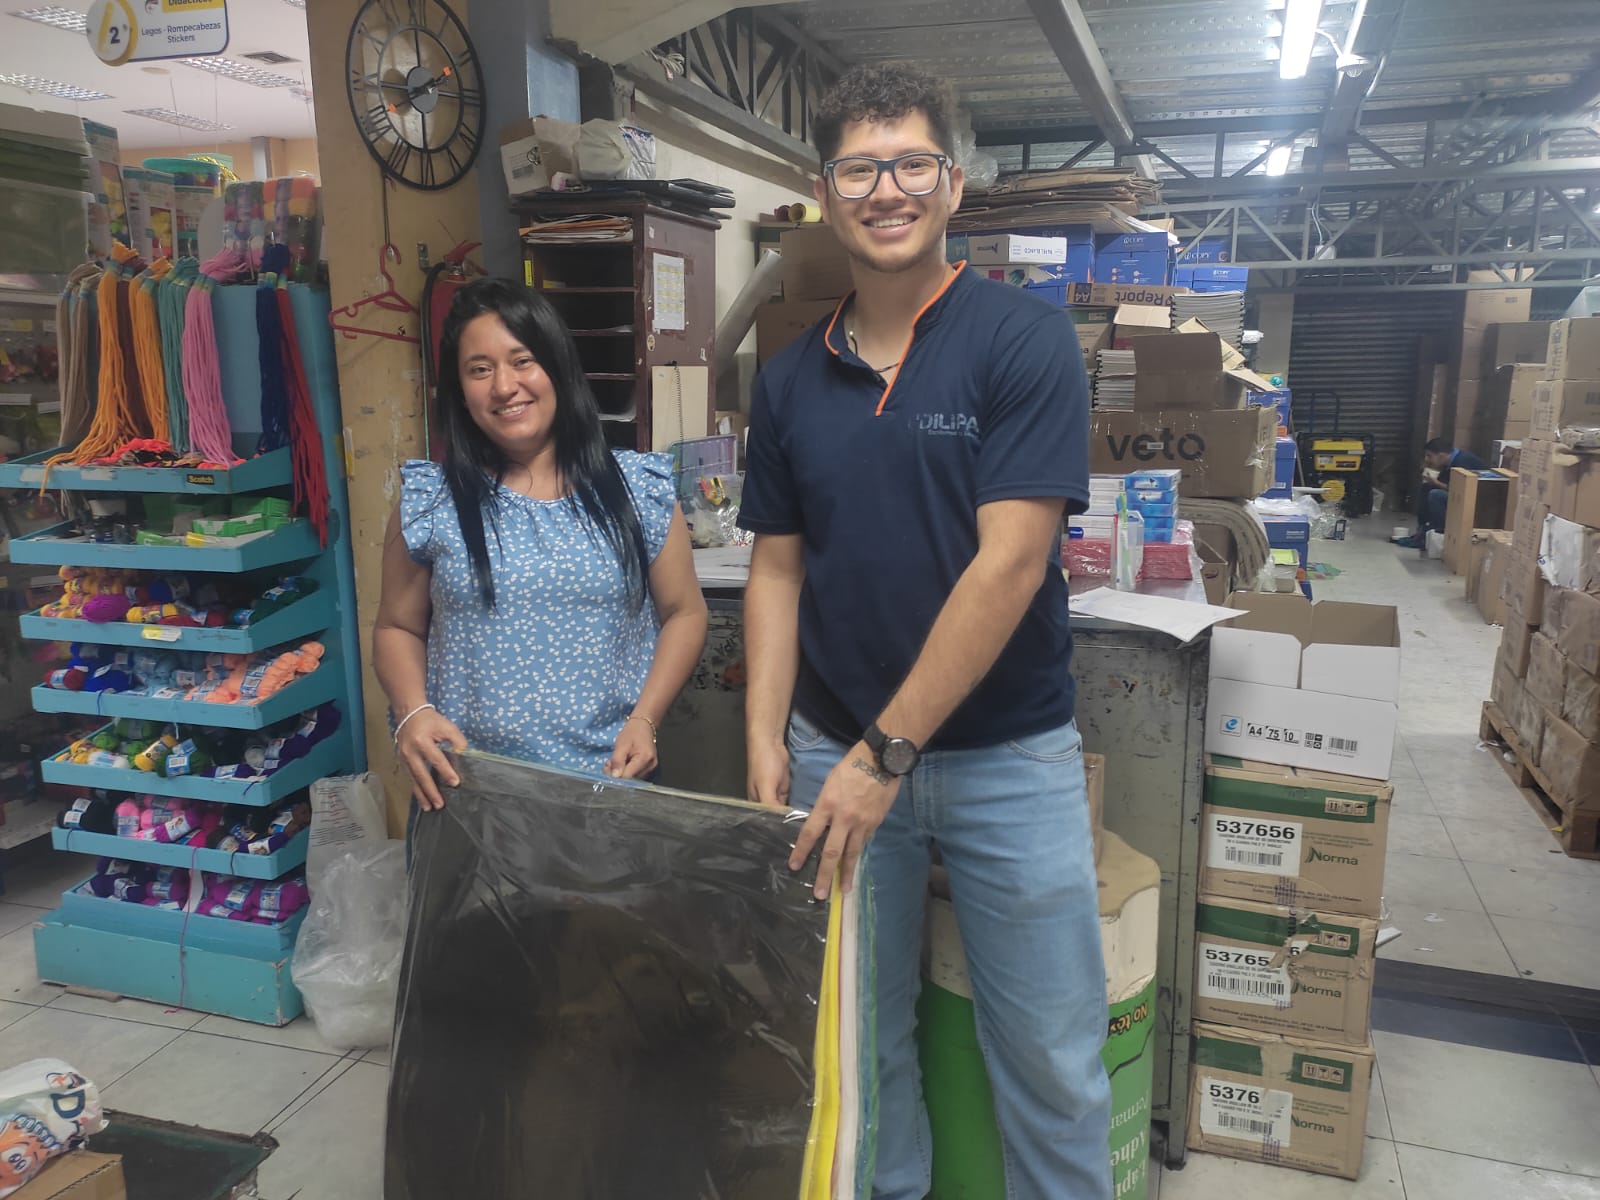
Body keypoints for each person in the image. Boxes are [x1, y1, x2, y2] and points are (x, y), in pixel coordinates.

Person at [739, 62, 1111, 1200]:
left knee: (1050, 1059)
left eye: (910, 164)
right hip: (833, 747)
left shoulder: (1021, 341)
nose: (885, 190)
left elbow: (1011, 564)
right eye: (858, 169)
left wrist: (883, 756)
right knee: (857, 1046)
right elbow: (775, 567)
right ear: (824, 193)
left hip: (1007, 757)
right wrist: (764, 736)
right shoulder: (790, 379)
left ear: (952, 184)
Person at [373, 277, 707, 814]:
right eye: (479, 369)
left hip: (608, 788)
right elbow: (397, 627)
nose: (504, 386)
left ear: (557, 366)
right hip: (468, 792)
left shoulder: (636, 489)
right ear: (460, 389)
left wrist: (646, 719)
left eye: (522, 360)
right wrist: (412, 712)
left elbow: (685, 613)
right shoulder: (432, 499)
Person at [1391, 436, 1488, 549]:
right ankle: (1423, 530)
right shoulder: (1450, 461)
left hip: (1477, 501)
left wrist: (1435, 482)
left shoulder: (1461, 461)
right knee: (1427, 487)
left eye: (1429, 456)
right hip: (1463, 495)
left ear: (1441, 455)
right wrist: (1430, 472)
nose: (1427, 459)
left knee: (1436, 495)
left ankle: (1440, 531)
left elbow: (1459, 489)